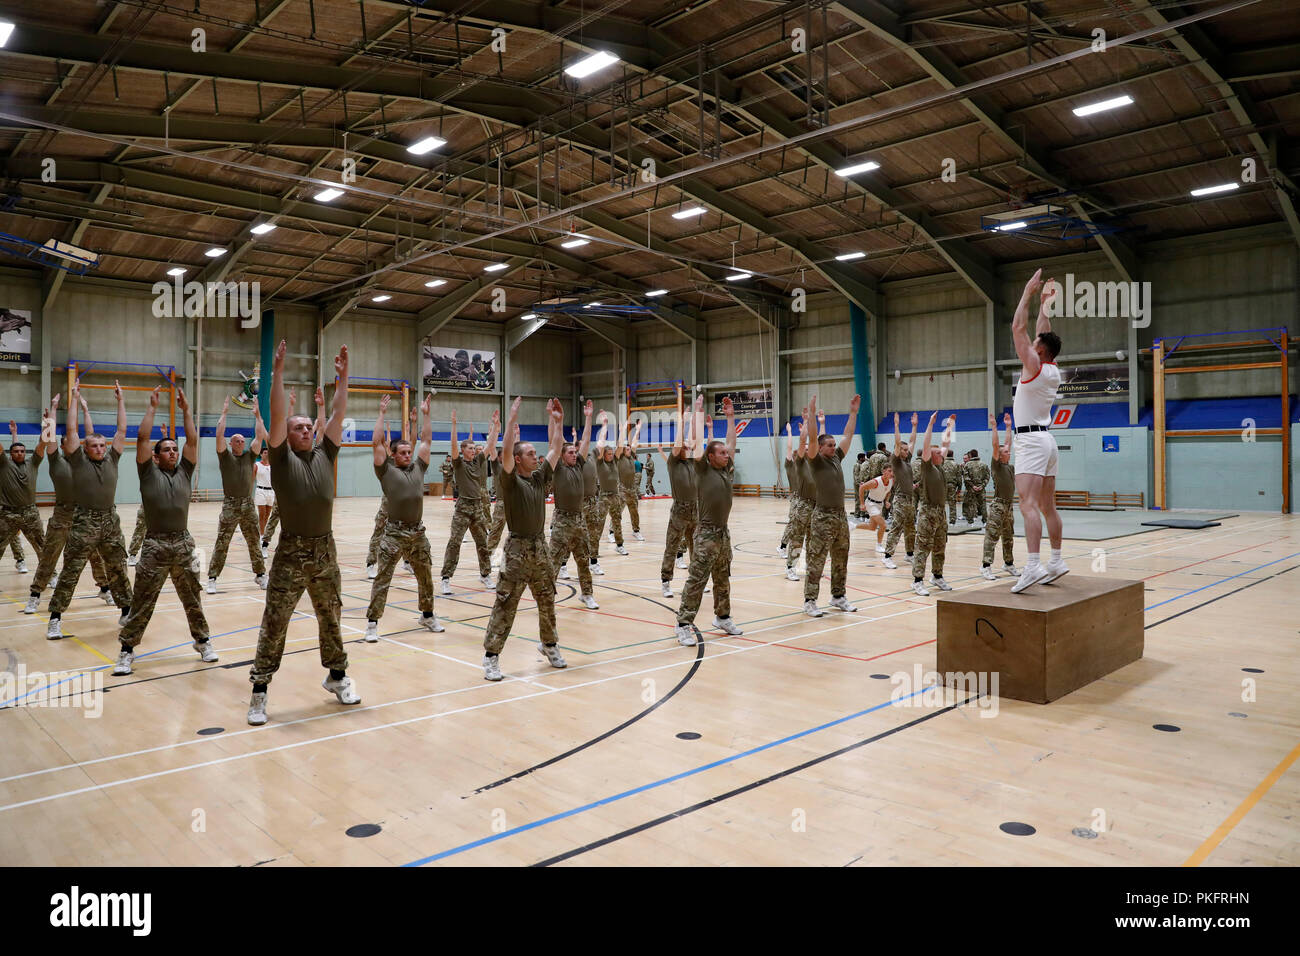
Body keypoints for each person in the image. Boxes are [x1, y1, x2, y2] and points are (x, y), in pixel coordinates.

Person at [247, 340, 358, 725]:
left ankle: (338, 676)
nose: (306, 429)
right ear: (287, 436)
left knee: (331, 617)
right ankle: (259, 690)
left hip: (325, 551)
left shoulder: (327, 452)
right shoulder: (280, 459)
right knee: (276, 621)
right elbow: (278, 416)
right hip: (291, 552)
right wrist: (277, 374)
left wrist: (342, 379)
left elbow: (338, 412)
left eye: (309, 426)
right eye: (298, 427)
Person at [113, 386, 212, 674]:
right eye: (166, 449)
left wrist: (186, 411)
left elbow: (192, 439)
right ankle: (127, 650)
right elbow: (142, 437)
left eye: (174, 449)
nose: (172, 452)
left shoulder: (185, 471)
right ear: (155, 456)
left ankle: (203, 641)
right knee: (143, 600)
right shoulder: (147, 472)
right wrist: (152, 407)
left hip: (183, 543)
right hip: (154, 545)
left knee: (192, 596)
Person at [482, 397, 567, 680]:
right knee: (506, 603)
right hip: (517, 548)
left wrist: (557, 419)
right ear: (518, 460)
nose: (537, 457)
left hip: (540, 547)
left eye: (535, 454)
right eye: (531, 454)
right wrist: (511, 421)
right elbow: (505, 452)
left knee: (547, 600)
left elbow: (556, 448)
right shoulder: (510, 480)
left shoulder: (539, 479)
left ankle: (549, 645)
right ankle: (491, 657)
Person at [45, 382, 133, 639]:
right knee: (71, 569)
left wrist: (120, 400)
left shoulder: (112, 458)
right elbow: (71, 429)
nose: (99, 449)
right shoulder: (77, 458)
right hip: (84, 521)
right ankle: (55, 618)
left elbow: (122, 429)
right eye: (94, 446)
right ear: (85, 448)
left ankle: (126, 610)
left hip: (110, 520)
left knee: (118, 567)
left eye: (102, 446)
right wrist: (74, 399)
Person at [363, 393, 443, 639]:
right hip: (394, 533)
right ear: (394, 454)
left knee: (426, 575)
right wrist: (381, 414)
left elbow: (427, 441)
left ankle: (427, 616)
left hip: (417, 532)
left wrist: (427, 415)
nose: (409, 455)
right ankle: (372, 624)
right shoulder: (385, 470)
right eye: (404, 452)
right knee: (383, 578)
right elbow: (377, 443)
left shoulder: (419, 467)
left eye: (410, 452)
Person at [26, 394, 112, 612]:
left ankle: (104, 588)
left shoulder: (85, 461)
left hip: (85, 517)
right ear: (63, 446)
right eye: (69, 443)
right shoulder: (56, 461)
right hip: (62, 516)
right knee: (49, 557)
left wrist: (86, 409)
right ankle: (36, 594)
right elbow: (49, 436)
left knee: (95, 556)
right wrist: (53, 409)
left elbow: (90, 436)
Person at [1010, 269, 1068, 592]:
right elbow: (1041, 331)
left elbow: (1018, 326)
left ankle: (1033, 566)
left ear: (1040, 351)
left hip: (1031, 440)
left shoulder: (1033, 365)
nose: (1031, 342)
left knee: (1028, 505)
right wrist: (1046, 306)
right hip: (1048, 440)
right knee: (1048, 507)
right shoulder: (1053, 368)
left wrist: (1029, 293)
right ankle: (1056, 560)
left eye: (1035, 344)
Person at [673, 394, 742, 645]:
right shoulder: (702, 470)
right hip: (706, 534)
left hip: (723, 533)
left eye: (726, 453)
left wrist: (731, 417)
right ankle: (683, 623)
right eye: (721, 453)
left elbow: (732, 442)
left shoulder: (726, 470)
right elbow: (697, 442)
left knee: (722, 578)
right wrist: (698, 414)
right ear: (710, 457)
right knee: (697, 579)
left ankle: (722, 617)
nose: (726, 455)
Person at [800, 393, 861, 617]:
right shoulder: (815, 460)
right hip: (823, 517)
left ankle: (838, 596)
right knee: (816, 559)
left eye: (835, 445)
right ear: (821, 447)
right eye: (830, 445)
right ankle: (809, 601)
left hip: (840, 517)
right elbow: (814, 438)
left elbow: (848, 434)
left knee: (841, 558)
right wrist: (812, 415)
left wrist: (853, 413)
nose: (834, 447)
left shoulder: (836, 458)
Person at [207, 396, 269, 594]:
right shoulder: (224, 456)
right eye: (237, 441)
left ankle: (260, 575)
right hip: (230, 505)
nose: (241, 443)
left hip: (247, 504)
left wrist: (258, 415)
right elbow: (219, 435)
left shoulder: (250, 456)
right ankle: (212, 578)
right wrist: (224, 413)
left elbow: (260, 437)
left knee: (254, 542)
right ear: (231, 443)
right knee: (222, 542)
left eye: (243, 440)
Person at [548, 399, 599, 610]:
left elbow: (586, 440)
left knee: (583, 559)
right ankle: (547, 596)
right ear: (562, 455)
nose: (574, 454)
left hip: (579, 520)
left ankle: (587, 594)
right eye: (570, 452)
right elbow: (554, 441)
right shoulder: (558, 467)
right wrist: (554, 419)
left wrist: (588, 418)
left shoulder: (579, 465)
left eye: (575, 452)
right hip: (562, 519)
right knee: (552, 561)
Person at [440, 411, 497, 594]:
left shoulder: (479, 461)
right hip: (463, 508)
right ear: (463, 450)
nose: (474, 451)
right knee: (454, 543)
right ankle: (446, 578)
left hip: (478, 507)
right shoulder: (458, 464)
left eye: (474, 448)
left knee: (483, 543)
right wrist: (454, 425)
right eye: (470, 448)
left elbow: (491, 445)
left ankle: (485, 575)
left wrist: (495, 427)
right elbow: (454, 445)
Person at [659, 406, 705, 598]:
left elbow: (698, 442)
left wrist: (698, 415)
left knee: (696, 547)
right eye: (684, 447)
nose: (687, 448)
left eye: (688, 447)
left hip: (696, 509)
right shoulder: (673, 463)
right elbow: (678, 444)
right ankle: (666, 582)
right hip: (679, 510)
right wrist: (683, 421)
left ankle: (695, 580)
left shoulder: (693, 463)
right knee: (672, 546)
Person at [911, 412, 956, 596]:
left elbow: (946, 444)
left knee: (940, 546)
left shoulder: (940, 467)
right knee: (923, 547)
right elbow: (927, 444)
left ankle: (937, 576)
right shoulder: (927, 468)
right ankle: (917, 581)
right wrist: (930, 424)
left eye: (940, 453)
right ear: (930, 455)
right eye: (937, 453)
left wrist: (949, 426)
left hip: (940, 512)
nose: (941, 454)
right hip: (928, 512)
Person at [0, 417, 47, 574]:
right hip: (8, 514)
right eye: (16, 451)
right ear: (10, 454)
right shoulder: (4, 464)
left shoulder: (32, 463)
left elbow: (43, 444)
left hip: (30, 513)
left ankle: (50, 576)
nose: (20, 453)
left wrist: (48, 424)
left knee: (43, 547)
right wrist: (14, 434)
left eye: (22, 451)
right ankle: (20, 560)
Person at [982, 413, 1021, 581]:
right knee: (992, 536)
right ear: (999, 455)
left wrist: (1008, 427)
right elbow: (996, 445)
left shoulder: (1009, 467)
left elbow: (1008, 444)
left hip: (1009, 506)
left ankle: (1008, 563)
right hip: (998, 506)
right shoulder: (996, 467)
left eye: (1008, 451)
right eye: (1005, 452)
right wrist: (994, 427)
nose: (1008, 453)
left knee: (1008, 537)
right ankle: (985, 566)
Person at [882, 412, 918, 570]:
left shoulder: (907, 461)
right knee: (897, 527)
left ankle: (909, 554)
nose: (905, 451)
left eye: (906, 450)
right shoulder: (895, 461)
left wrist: (914, 426)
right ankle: (887, 556)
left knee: (911, 528)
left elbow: (912, 441)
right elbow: (898, 443)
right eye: (903, 449)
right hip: (900, 500)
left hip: (910, 499)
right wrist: (896, 425)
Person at [780, 413, 813, 583]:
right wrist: (790, 432)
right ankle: (790, 566)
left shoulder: (813, 465)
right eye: (803, 450)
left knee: (812, 537)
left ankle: (809, 565)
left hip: (812, 503)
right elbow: (789, 448)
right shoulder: (792, 465)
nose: (806, 451)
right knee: (796, 534)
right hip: (798, 500)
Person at [583, 413, 608, 576]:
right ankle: (563, 565)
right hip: (577, 503)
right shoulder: (573, 460)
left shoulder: (592, 456)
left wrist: (605, 425)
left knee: (594, 533)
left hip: (592, 502)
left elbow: (600, 443)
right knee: (572, 537)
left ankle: (593, 562)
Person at [596, 434, 627, 556]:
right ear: (604, 455)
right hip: (604, 497)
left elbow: (620, 447)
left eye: (612, 453)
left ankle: (619, 545)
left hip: (615, 496)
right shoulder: (600, 463)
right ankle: (594, 549)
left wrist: (622, 431)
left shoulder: (615, 461)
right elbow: (599, 448)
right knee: (599, 523)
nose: (611, 455)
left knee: (617, 522)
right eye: (609, 454)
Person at [856, 463, 893, 552]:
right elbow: (862, 488)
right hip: (871, 504)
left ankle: (853, 526)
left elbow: (888, 492)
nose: (892, 473)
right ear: (883, 471)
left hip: (880, 505)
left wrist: (887, 501)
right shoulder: (875, 482)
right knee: (883, 525)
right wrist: (861, 503)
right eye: (889, 471)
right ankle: (878, 545)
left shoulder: (891, 481)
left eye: (892, 471)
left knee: (872, 527)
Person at [617, 420, 644, 541]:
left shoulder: (632, 457)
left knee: (634, 511)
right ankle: (612, 532)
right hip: (622, 488)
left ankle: (636, 531)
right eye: (626, 449)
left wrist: (637, 430)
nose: (629, 449)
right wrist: (622, 431)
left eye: (629, 449)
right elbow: (619, 446)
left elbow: (634, 443)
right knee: (618, 512)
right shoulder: (619, 457)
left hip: (632, 488)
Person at [962, 449, 989, 527]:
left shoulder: (967, 465)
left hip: (971, 489)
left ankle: (970, 522)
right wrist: (982, 486)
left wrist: (972, 486)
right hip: (981, 488)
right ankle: (985, 522)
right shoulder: (984, 465)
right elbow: (987, 477)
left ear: (970, 455)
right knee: (983, 505)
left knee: (971, 504)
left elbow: (966, 477)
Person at [255, 448, 274, 552]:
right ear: (261, 454)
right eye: (265, 453)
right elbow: (252, 478)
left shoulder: (273, 466)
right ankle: (262, 536)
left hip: (271, 492)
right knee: (261, 514)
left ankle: (262, 531)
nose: (267, 454)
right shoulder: (257, 465)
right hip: (260, 490)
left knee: (267, 515)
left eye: (268, 453)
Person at [943, 448, 962, 525]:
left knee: (941, 503)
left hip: (942, 486)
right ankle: (952, 521)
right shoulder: (956, 465)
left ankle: (942, 520)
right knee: (952, 504)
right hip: (952, 485)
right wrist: (959, 488)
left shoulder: (941, 463)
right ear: (952, 455)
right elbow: (959, 478)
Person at [851, 452, 869, 519]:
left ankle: (860, 512)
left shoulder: (860, 464)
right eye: (864, 458)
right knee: (858, 499)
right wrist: (860, 483)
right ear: (861, 458)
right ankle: (857, 513)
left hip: (859, 484)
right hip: (857, 484)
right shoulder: (857, 465)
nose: (865, 459)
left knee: (861, 498)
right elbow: (856, 476)